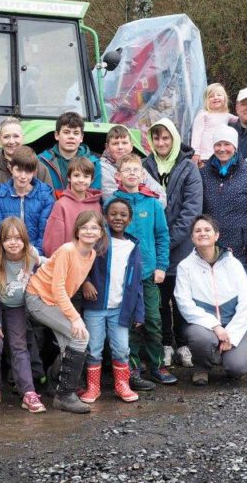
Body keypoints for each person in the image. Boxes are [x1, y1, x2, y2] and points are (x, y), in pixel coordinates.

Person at [25, 210, 104, 414]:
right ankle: (65, 395)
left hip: (55, 301)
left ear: (101, 233)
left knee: (71, 344)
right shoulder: (67, 250)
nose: (89, 231)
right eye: (84, 227)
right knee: (81, 335)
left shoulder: (92, 254)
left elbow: (68, 287)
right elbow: (57, 287)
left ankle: (55, 384)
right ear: (77, 231)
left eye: (94, 227)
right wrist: (74, 317)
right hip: (38, 297)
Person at [143, 118, 203, 369]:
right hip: (154, 244)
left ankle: (184, 344)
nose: (162, 142)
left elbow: (191, 210)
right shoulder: (144, 166)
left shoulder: (188, 168)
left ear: (175, 139)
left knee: (181, 299)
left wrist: (167, 241)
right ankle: (165, 344)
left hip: (181, 246)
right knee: (160, 298)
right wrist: (156, 243)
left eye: (166, 138)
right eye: (157, 138)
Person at [112, 154, 174, 385]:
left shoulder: (152, 203)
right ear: (118, 175)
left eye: (135, 170)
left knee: (153, 320)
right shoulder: (112, 203)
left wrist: (161, 266)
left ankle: (157, 366)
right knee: (129, 323)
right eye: (126, 170)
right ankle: (133, 368)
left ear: (142, 174)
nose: (131, 173)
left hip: (148, 273)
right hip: (124, 276)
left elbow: (162, 236)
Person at [174, 215, 247, 386]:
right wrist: (215, 326)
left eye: (207, 230)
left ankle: (227, 357)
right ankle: (202, 367)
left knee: (238, 367)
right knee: (201, 337)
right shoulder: (184, 266)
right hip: (204, 327)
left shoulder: (234, 264)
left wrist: (230, 335)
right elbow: (184, 304)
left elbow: (245, 305)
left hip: (234, 325)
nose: (202, 233)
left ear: (216, 235)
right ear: (192, 237)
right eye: (198, 231)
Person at [80, 199, 145, 403]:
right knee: (94, 348)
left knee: (121, 348)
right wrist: (86, 283)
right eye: (113, 214)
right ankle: (93, 387)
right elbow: (80, 264)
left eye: (123, 214)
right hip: (96, 308)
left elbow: (137, 282)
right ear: (106, 217)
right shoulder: (99, 241)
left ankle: (122, 385)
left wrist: (139, 311)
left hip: (121, 309)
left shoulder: (133, 245)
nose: (118, 218)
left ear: (130, 219)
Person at [0, 217, 47, 412]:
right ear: (1, 241)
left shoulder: (31, 255)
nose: (13, 242)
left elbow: (46, 263)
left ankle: (28, 392)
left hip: (16, 305)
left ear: (25, 240)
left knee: (19, 346)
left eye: (18, 238)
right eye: (8, 238)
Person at [200, 126, 247, 276]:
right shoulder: (203, 173)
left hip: (241, 251)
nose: (222, 149)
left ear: (235, 146)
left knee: (241, 296)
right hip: (210, 248)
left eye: (227, 144)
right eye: (218, 144)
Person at [0, 145, 55, 256]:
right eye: (18, 170)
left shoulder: (45, 197)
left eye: (28, 171)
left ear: (34, 172)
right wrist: (4, 257)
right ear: (11, 168)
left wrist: (35, 256)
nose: (23, 176)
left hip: (35, 257)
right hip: (7, 256)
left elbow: (44, 233)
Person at [42, 156, 103, 257]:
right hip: (67, 262)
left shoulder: (96, 205)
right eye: (76, 175)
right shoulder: (61, 205)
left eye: (86, 176)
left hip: (90, 263)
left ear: (92, 179)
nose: (81, 180)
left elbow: (99, 237)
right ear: (69, 177)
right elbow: (54, 241)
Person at [99, 124, 166, 206]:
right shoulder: (103, 168)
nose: (120, 147)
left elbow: (161, 196)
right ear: (107, 147)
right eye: (115, 143)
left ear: (131, 146)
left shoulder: (138, 167)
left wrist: (148, 209)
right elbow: (111, 199)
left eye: (124, 143)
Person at [0, 117, 50, 194]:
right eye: (6, 137)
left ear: (23, 138)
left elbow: (49, 201)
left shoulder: (40, 169)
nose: (11, 141)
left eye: (16, 136)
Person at [38, 111, 103, 194]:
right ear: (57, 135)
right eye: (66, 132)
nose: (71, 137)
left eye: (76, 133)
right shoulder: (42, 161)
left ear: (81, 137)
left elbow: (94, 194)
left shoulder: (94, 163)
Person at [190, 83, 238, 165]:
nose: (215, 98)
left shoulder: (227, 115)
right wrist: (196, 152)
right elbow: (196, 135)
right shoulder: (204, 115)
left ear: (225, 98)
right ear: (206, 100)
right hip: (205, 156)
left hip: (221, 155)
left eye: (219, 95)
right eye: (211, 96)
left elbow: (241, 120)